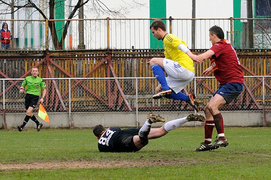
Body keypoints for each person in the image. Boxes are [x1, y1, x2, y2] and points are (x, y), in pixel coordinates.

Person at [190, 25, 244, 151]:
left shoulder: (219, 45)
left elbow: (205, 55)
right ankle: (207, 142)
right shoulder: (225, 46)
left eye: (210, 36)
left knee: (212, 107)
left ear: (214, 35)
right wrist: (211, 68)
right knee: (208, 110)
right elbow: (225, 61)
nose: (209, 39)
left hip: (232, 83)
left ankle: (222, 138)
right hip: (227, 84)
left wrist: (194, 57)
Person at [149, 19, 199, 111]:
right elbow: (168, 64)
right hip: (188, 73)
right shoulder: (166, 46)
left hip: (183, 67)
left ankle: (165, 88)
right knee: (163, 92)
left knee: (153, 61)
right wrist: (160, 83)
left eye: (153, 32)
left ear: (159, 29)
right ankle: (188, 98)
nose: (153, 35)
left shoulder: (168, 37)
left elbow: (181, 45)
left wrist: (191, 55)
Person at [93, 113, 205, 152]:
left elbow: (107, 148)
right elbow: (117, 130)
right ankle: (186, 119)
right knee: (161, 131)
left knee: (142, 140)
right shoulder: (112, 128)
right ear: (105, 129)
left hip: (121, 142)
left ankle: (149, 121)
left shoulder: (100, 144)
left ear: (97, 137)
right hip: (124, 132)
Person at [17, 67, 47, 132]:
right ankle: (38, 123)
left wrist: (42, 98)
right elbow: (22, 85)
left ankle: (22, 127)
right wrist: (21, 89)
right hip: (28, 96)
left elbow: (44, 89)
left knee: (28, 112)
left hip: (35, 97)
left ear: (38, 72)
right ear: (31, 72)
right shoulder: (27, 78)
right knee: (29, 113)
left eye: (36, 71)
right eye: (33, 71)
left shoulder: (40, 80)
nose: (34, 72)